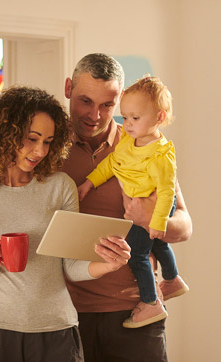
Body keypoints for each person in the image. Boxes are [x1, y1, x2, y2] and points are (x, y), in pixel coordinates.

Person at [0, 85, 131, 362]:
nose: (40, 152)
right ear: (4, 133)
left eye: (48, 141)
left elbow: (70, 267)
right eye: (31, 139)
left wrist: (107, 266)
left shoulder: (60, 186)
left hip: (58, 333)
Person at [59, 53, 192, 362]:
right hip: (67, 316)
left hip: (136, 313)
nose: (95, 115)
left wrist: (153, 217)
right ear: (68, 89)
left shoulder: (145, 146)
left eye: (108, 105)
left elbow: (184, 226)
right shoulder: (45, 148)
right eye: (85, 101)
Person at [77, 75, 189, 329]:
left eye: (134, 118)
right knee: (157, 245)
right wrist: (90, 182)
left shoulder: (161, 156)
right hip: (82, 307)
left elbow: (167, 193)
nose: (126, 124)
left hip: (155, 208)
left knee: (138, 254)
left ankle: (150, 303)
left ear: (159, 118)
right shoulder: (129, 141)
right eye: (124, 117)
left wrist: (156, 221)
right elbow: (112, 164)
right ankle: (173, 279)